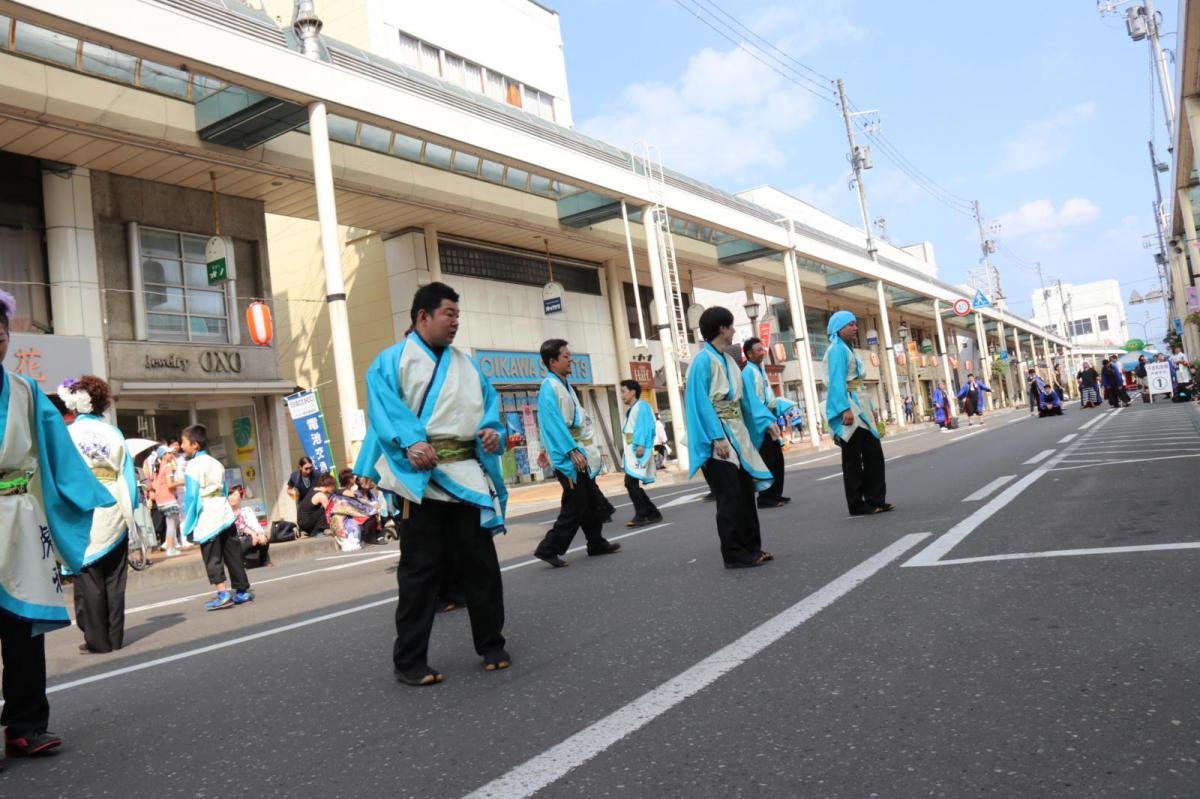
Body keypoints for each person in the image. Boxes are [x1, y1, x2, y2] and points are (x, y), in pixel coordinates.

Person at [354, 281, 510, 686]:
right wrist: (411, 441)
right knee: (420, 573)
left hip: (466, 475)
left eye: (458, 315)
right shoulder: (389, 362)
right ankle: (409, 661)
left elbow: (490, 410)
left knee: (481, 565)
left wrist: (492, 433)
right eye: (449, 314)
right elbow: (384, 414)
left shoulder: (468, 364)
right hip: (421, 481)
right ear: (423, 316)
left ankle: (492, 643)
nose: (455, 322)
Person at [0, 291, 114, 766]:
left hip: (21, 521)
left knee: (23, 628)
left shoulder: (25, 392)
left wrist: (93, 496)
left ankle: (25, 725)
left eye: (1, 333)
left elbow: (60, 460)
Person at [685, 306, 775, 568]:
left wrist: (766, 422)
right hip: (720, 439)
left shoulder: (729, 360)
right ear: (722, 328)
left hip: (737, 433)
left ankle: (752, 548)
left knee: (745, 494)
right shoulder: (702, 360)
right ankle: (735, 553)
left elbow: (745, 400)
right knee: (730, 497)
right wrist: (716, 437)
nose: (735, 330)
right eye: (732, 325)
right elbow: (699, 403)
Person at [59, 376, 139, 654]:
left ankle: (97, 639)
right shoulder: (114, 433)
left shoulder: (67, 434)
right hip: (115, 504)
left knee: (88, 577)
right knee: (115, 578)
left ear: (75, 404)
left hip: (83, 505)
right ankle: (115, 637)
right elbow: (127, 477)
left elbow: (62, 476)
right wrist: (132, 511)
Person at [533, 338, 620, 568]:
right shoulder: (549, 387)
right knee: (576, 504)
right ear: (552, 362)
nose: (571, 359)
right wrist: (570, 450)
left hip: (577, 450)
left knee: (588, 499)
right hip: (570, 455)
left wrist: (547, 447)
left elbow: (551, 421)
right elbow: (552, 422)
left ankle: (596, 542)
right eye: (565, 356)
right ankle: (548, 548)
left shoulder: (563, 385)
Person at [825, 310, 893, 516]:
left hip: (860, 404)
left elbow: (858, 382)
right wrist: (843, 408)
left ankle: (875, 499)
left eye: (855, 324)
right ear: (839, 328)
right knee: (853, 457)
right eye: (851, 325)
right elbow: (836, 381)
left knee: (873, 453)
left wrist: (870, 404)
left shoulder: (848, 349)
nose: (855, 328)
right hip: (850, 406)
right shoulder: (837, 349)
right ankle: (856, 503)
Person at [181, 424, 252, 611]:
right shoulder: (216, 463)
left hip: (208, 515)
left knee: (212, 557)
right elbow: (226, 489)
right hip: (225, 512)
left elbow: (191, 497)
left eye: (184, 442)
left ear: (194, 444)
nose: (182, 446)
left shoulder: (193, 466)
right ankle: (242, 591)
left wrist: (188, 525)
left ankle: (222, 594)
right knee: (233, 554)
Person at [741, 337, 794, 509]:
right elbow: (751, 402)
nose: (762, 352)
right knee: (768, 460)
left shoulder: (759, 370)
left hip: (768, 418)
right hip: (760, 422)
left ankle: (775, 494)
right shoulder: (748, 372)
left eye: (762, 349)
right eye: (758, 350)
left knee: (777, 459)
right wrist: (766, 421)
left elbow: (767, 398)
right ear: (748, 354)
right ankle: (766, 497)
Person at [618, 379, 662, 527]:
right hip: (632, 448)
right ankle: (651, 512)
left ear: (633, 392)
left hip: (638, 447)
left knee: (630, 482)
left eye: (623, 391)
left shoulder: (641, 406)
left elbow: (644, 426)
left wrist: (641, 445)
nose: (622, 395)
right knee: (631, 483)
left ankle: (643, 514)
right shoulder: (633, 408)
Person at [153, 451, 190, 556]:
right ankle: (170, 548)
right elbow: (170, 485)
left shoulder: (160, 468)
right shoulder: (168, 467)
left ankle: (168, 544)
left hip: (161, 499)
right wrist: (181, 482)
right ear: (164, 455)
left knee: (172, 521)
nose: (171, 455)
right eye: (169, 453)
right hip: (168, 498)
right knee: (172, 523)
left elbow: (156, 484)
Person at [229, 485, 271, 568]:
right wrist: (253, 534)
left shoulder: (246, 510)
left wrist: (260, 534)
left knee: (263, 537)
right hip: (235, 541)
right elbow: (238, 525)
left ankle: (264, 561)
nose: (231, 497)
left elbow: (255, 523)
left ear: (241, 497)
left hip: (248, 539)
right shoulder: (227, 512)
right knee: (251, 539)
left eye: (235, 495)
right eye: (230, 495)